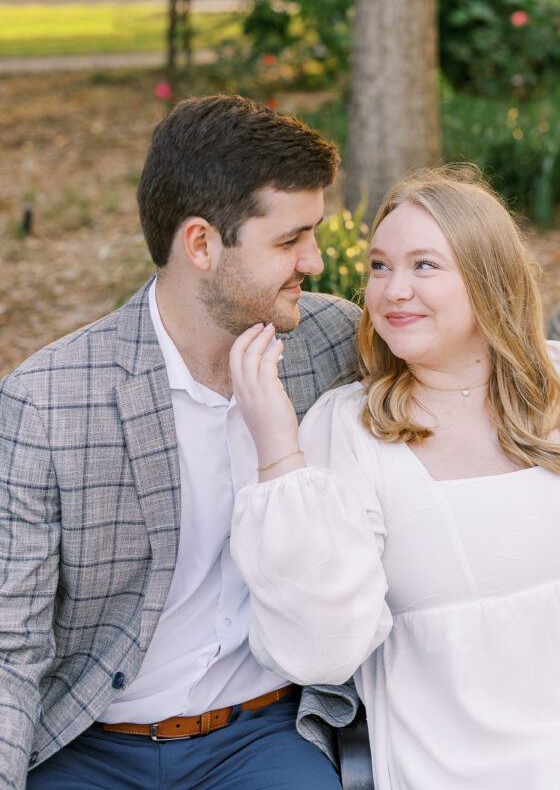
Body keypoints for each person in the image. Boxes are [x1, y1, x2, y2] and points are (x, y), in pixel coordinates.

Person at [230, 165, 560, 790]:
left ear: (486, 277)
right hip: (477, 761)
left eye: (423, 266)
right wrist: (280, 454)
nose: (392, 292)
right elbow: (318, 648)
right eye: (379, 266)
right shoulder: (352, 427)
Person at [0, 94, 362, 790]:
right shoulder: (48, 403)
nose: (314, 262)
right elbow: (9, 649)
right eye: (289, 241)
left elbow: (468, 425)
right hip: (91, 745)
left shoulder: (330, 343)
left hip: (261, 736)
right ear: (200, 244)